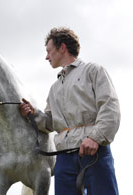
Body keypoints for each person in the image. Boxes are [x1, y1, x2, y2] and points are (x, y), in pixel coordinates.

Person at [19, 27, 120, 195]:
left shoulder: (93, 71)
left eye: (49, 51)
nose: (46, 56)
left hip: (93, 151)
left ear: (62, 48)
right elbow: (50, 123)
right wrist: (33, 114)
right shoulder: (54, 88)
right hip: (64, 160)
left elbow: (110, 106)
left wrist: (95, 138)